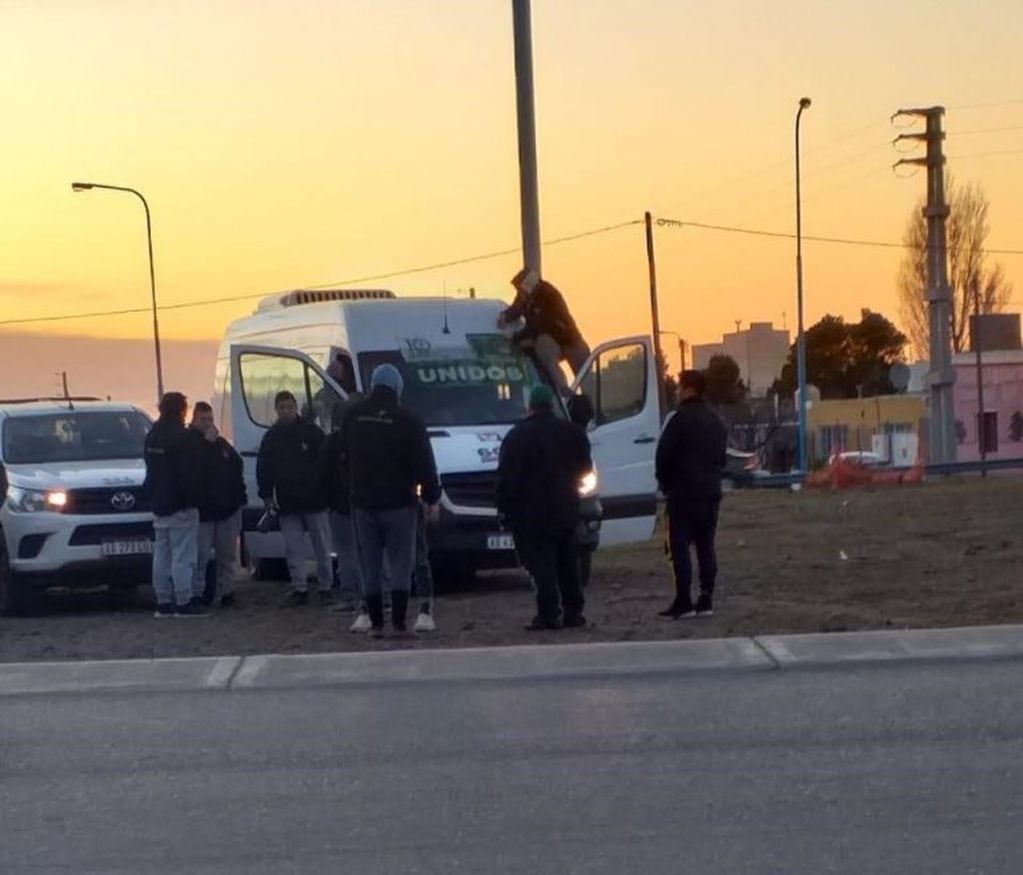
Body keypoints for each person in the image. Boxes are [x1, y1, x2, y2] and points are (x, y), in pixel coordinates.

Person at [343, 364, 441, 637]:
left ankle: (375, 624)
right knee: (401, 563)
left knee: (370, 565)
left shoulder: (353, 416)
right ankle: (398, 623)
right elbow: (425, 463)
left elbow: (342, 457)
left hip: (363, 503)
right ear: (398, 388)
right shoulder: (408, 419)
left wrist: (350, 489)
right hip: (400, 503)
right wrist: (432, 496)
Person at [496, 384, 592, 630]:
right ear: (551, 404)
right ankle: (574, 612)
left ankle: (549, 614)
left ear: (530, 407)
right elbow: (585, 469)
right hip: (566, 508)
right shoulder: (573, 433)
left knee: (542, 564)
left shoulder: (517, 436)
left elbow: (507, 478)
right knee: (568, 561)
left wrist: (504, 508)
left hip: (531, 513)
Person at [655, 369, 728, 619]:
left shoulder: (678, 420)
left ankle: (683, 600)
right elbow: (721, 458)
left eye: (679, 386)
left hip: (682, 494)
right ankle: (706, 598)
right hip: (710, 493)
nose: (677, 390)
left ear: (688, 389)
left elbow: (663, 456)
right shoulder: (716, 421)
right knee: (706, 546)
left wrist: (665, 484)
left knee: (679, 547)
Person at [256, 390, 334, 607]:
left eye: (289, 407)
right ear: (276, 410)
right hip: (287, 503)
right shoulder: (271, 437)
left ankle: (326, 586)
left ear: (296, 407)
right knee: (293, 549)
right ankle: (299, 587)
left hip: (314, 500)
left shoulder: (311, 432)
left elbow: (326, 463)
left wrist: (327, 491)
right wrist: (266, 496)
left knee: (322, 547)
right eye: (282, 408)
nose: (286, 411)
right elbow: (264, 468)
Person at [144, 392, 208, 618]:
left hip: (160, 504)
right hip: (181, 506)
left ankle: (163, 601)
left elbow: (151, 471)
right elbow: (189, 475)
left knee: (162, 554)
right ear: (182, 410)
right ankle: (184, 600)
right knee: (184, 556)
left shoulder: (152, 436)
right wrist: (193, 499)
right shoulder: (182, 438)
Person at [190, 402, 247, 608]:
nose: (207, 424)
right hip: (202, 512)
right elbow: (192, 470)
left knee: (227, 556)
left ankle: (226, 592)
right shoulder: (190, 444)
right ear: (194, 420)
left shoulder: (222, 445)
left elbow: (236, 466)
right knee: (199, 557)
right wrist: (206, 444)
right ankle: (196, 594)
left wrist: (239, 499)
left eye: (210, 419)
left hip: (226, 510)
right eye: (203, 420)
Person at [498, 270, 590, 396]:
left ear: (528, 285)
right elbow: (518, 307)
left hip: (571, 342)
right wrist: (505, 316)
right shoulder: (526, 294)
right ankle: (562, 390)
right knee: (545, 350)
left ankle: (593, 405)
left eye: (521, 289)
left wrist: (515, 337)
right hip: (554, 343)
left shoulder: (547, 295)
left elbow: (538, 326)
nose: (520, 293)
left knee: (587, 379)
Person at [320, 401, 364, 617]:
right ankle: (378, 594)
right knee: (369, 552)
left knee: (346, 553)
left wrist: (328, 501)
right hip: (364, 504)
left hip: (339, 506)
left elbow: (323, 476)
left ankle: (350, 595)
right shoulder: (365, 440)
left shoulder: (331, 443)